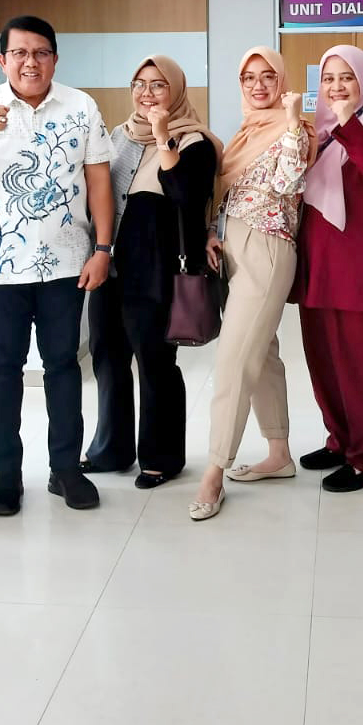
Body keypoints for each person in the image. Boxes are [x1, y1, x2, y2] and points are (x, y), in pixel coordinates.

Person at [0, 15, 113, 516]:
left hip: (67, 265)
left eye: (40, 52)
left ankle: (65, 470)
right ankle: (6, 477)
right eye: (19, 53)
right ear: (3, 60)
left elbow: (99, 182)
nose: (30, 62)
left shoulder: (81, 106)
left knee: (63, 367)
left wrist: (103, 250)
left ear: (55, 59)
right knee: (3, 370)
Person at [188, 46, 313, 521]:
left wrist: (293, 121)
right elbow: (228, 194)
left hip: (267, 247)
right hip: (232, 248)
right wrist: (211, 234)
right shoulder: (246, 130)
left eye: (267, 76)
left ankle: (213, 473)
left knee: (234, 362)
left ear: (282, 81)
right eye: (248, 78)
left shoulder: (293, 130)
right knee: (263, 354)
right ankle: (278, 453)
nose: (258, 85)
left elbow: (286, 185)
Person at [84, 55, 221, 488]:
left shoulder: (194, 141)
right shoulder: (117, 137)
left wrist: (164, 139)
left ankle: (162, 457)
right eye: (139, 84)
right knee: (107, 357)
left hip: (156, 269)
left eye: (158, 85)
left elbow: (185, 197)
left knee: (155, 362)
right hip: (110, 264)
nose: (147, 93)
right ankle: (111, 449)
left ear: (176, 91)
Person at [293, 45, 363, 493]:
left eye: (347, 78)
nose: (337, 87)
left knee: (358, 367)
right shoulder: (312, 133)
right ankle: (340, 440)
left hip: (358, 266)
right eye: (329, 79)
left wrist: (348, 125)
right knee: (322, 363)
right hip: (317, 263)